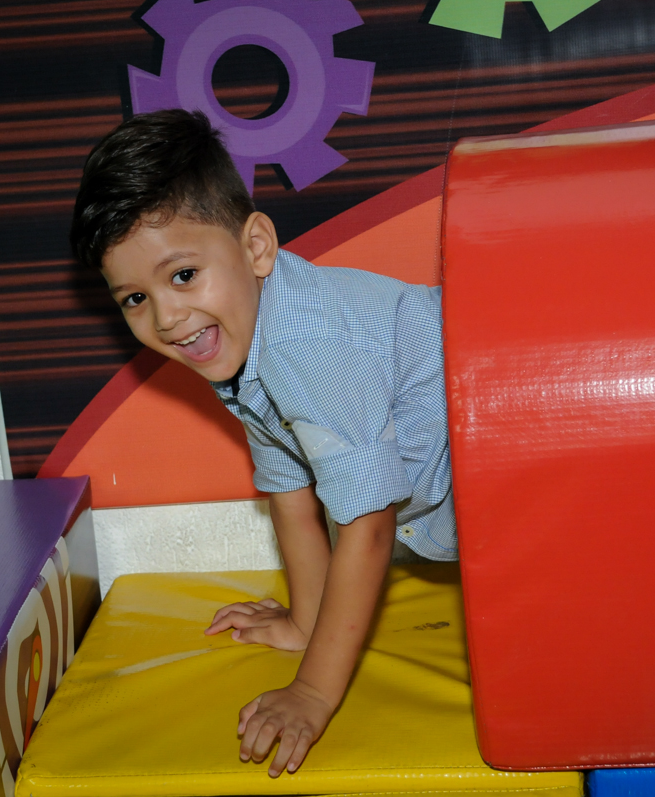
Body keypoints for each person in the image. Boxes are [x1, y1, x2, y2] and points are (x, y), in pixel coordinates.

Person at [69, 109, 455, 778]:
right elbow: (290, 490)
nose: (166, 317)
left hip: (527, 447)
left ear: (256, 247)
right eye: (133, 297)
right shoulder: (248, 342)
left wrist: (312, 690)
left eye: (183, 275)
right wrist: (305, 623)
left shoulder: (305, 346)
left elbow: (365, 524)